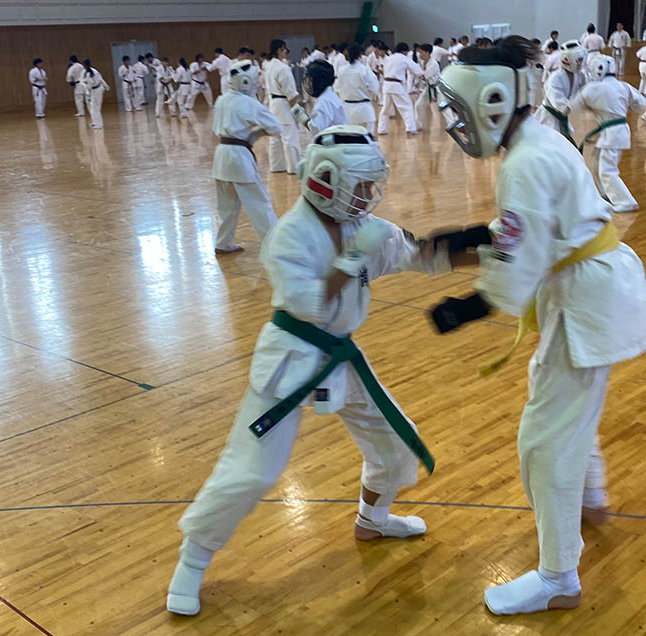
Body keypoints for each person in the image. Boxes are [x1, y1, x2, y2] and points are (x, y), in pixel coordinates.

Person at [165, 124, 449, 616]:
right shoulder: (288, 236)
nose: (368, 195)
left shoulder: (358, 223)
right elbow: (312, 303)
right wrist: (356, 254)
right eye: (361, 186)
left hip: (341, 354)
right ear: (325, 181)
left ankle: (373, 520)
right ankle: (192, 561)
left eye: (370, 186)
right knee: (253, 470)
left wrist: (489, 244)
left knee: (396, 443)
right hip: (291, 356)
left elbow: (419, 254)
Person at [435, 35, 646, 616]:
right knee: (562, 402)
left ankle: (558, 576)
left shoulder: (525, 161)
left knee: (545, 440)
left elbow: (518, 263)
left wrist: (469, 307)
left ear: (491, 101)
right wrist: (470, 238)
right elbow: (532, 228)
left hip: (585, 296)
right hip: (586, 285)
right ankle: (590, 492)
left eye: (459, 108)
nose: (456, 122)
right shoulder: (538, 138)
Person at [208, 60, 281, 255]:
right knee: (260, 203)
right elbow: (275, 127)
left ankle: (223, 243)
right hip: (238, 156)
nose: (256, 85)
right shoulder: (249, 103)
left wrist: (252, 135)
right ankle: (275, 245)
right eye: (254, 82)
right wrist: (255, 134)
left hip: (221, 154)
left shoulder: (221, 100)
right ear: (245, 82)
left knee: (226, 205)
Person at [570, 54, 645, 213]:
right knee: (597, 161)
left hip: (612, 132)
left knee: (607, 169)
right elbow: (640, 104)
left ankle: (626, 201)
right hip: (619, 129)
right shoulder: (624, 86)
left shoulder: (592, 89)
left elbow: (574, 106)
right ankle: (605, 194)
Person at [535, 40, 586, 141]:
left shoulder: (578, 75)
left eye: (581, 60)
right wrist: (577, 104)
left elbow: (587, 90)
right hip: (549, 117)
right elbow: (559, 104)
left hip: (561, 118)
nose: (580, 63)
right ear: (567, 60)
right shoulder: (555, 78)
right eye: (578, 60)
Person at [265, 39, 301, 174]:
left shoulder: (268, 65)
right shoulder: (282, 68)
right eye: (284, 49)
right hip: (283, 104)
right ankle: (294, 167)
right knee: (289, 136)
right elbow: (290, 93)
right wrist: (296, 112)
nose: (286, 52)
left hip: (273, 103)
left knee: (275, 137)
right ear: (279, 50)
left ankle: (277, 166)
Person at [292, 60, 348, 137]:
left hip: (335, 141)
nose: (309, 85)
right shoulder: (330, 96)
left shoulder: (324, 102)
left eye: (310, 81)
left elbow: (316, 130)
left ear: (318, 81)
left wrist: (301, 116)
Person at [377, 42, 422, 135]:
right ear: (404, 51)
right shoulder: (403, 58)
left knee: (385, 109)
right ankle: (410, 128)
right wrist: (423, 75)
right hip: (396, 85)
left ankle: (382, 129)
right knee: (407, 106)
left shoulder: (390, 58)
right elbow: (417, 70)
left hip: (386, 85)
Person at [334, 44, 379, 133]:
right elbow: (374, 89)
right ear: (359, 55)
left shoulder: (341, 71)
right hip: (364, 109)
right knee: (367, 138)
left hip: (347, 108)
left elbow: (337, 89)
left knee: (351, 138)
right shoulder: (365, 70)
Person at [414, 44, 442, 130]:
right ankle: (418, 125)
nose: (420, 54)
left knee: (444, 107)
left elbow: (424, 76)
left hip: (438, 88)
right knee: (418, 105)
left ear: (427, 52)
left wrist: (415, 72)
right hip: (428, 87)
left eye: (421, 52)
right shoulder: (423, 62)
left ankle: (452, 124)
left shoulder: (433, 63)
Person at [80, 59, 110, 129]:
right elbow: (101, 79)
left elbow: (89, 86)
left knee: (94, 108)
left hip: (96, 90)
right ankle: (96, 122)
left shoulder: (89, 73)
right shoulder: (93, 71)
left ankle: (99, 124)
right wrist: (106, 86)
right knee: (96, 107)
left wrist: (88, 93)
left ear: (84, 65)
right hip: (98, 89)